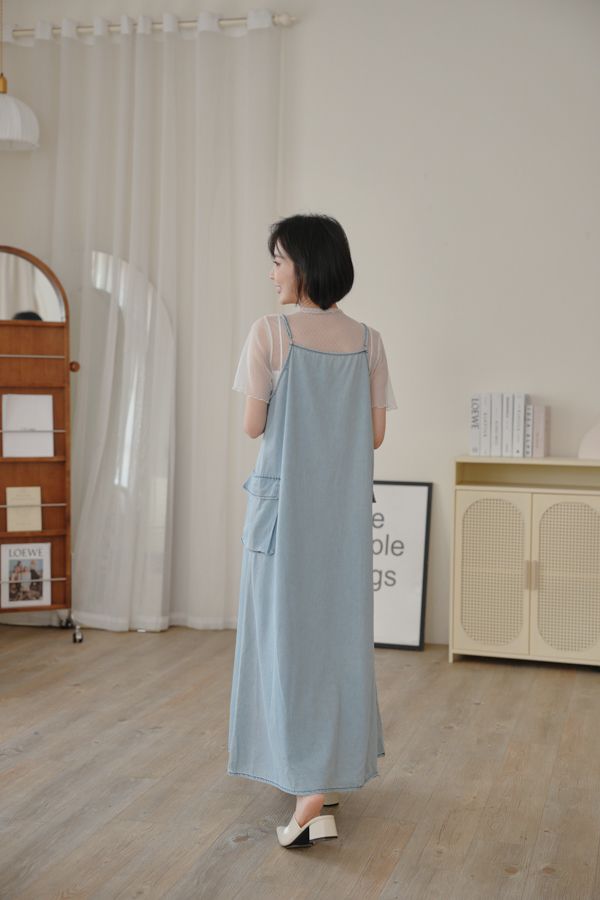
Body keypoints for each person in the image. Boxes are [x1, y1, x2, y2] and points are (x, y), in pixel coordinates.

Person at [227, 213, 397, 849]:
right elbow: (374, 435)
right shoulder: (368, 341)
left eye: (278, 260)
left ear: (303, 264)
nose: (272, 273)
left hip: (283, 514)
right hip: (341, 516)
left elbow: (253, 426)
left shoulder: (270, 333)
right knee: (337, 641)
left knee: (281, 642)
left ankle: (306, 797)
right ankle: (322, 778)